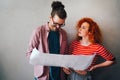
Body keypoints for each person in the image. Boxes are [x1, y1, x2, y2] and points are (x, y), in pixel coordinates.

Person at [26, 1, 68, 80]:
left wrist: (65, 66)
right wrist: (41, 60)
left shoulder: (64, 34)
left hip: (59, 74)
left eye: (61, 24)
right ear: (50, 18)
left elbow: (65, 55)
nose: (58, 27)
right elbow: (29, 54)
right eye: (55, 23)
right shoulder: (38, 31)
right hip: (42, 75)